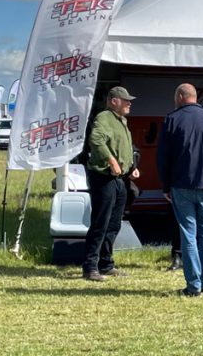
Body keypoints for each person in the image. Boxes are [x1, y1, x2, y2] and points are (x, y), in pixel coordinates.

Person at [157, 83, 203, 296]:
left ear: (181, 96)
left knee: (188, 234)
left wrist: (165, 185)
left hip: (181, 185)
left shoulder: (171, 119)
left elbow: (163, 157)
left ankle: (193, 286)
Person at [82, 86, 140, 282]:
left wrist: (131, 167)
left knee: (114, 224)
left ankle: (106, 264)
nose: (129, 103)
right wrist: (111, 161)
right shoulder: (104, 118)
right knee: (100, 222)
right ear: (113, 100)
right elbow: (96, 140)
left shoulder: (121, 121)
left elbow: (123, 148)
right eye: (125, 100)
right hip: (104, 178)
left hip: (119, 180)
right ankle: (90, 267)